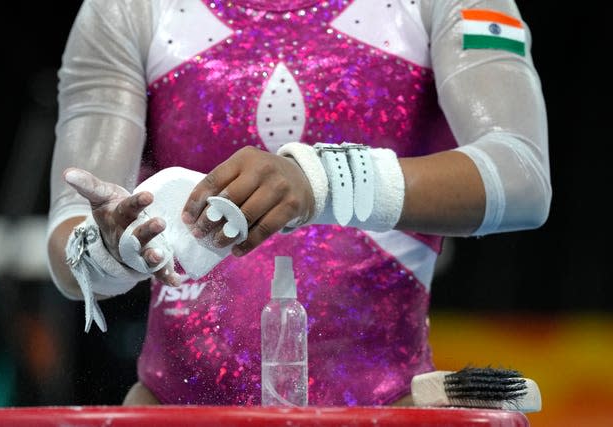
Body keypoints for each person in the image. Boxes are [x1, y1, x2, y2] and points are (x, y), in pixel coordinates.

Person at [46, 0, 551, 406]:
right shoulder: (126, 9)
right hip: (174, 411)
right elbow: (75, 232)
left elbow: (523, 175)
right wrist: (108, 250)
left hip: (385, 410)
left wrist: (320, 182)